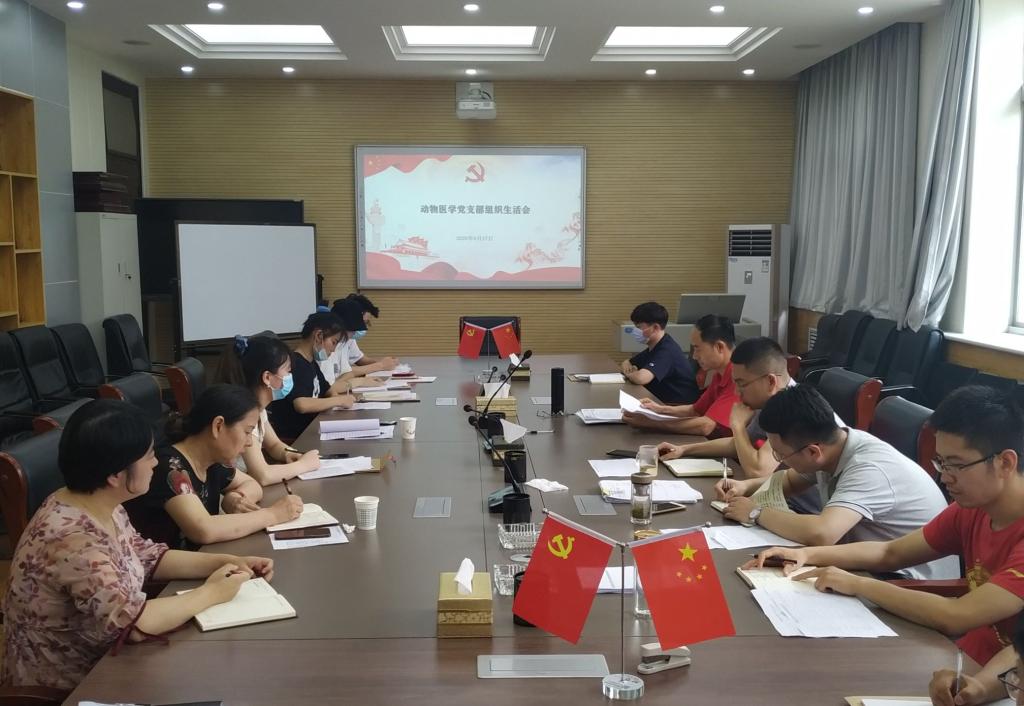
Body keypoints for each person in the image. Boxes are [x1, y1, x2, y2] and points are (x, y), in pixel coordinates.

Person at [1, 399, 273, 690]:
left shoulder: (99, 502)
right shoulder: (73, 538)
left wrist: (226, 562)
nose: (155, 463)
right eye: (148, 456)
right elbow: (130, 623)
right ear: (115, 475)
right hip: (73, 683)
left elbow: (145, 556)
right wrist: (212, 592)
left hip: (115, 658)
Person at [752, 386, 1024, 672]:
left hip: (1001, 678)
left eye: (955, 465)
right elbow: (890, 552)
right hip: (963, 661)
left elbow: (956, 616)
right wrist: (807, 555)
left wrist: (858, 584)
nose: (944, 477)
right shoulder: (972, 509)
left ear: (1005, 463)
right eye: (941, 462)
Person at [726, 384, 957, 579]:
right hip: (867, 563)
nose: (779, 460)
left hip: (907, 580)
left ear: (813, 452)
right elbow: (790, 480)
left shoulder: (868, 468)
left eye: (781, 455)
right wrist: (745, 486)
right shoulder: (836, 446)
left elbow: (822, 533)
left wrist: (756, 513)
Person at [126, 384, 304, 549]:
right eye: (247, 432)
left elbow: (252, 484)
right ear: (218, 426)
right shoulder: (170, 466)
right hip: (167, 571)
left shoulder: (212, 460)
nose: (250, 442)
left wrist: (235, 498)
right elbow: (203, 529)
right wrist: (273, 515)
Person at [658, 337, 842, 478]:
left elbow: (758, 471)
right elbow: (738, 444)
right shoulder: (771, 400)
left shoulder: (794, 409)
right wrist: (684, 449)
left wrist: (737, 426)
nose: (737, 392)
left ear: (770, 381)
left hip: (803, 508)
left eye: (742, 384)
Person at [215, 334, 321, 485]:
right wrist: (304, 465)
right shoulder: (244, 415)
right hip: (237, 489)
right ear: (267, 377)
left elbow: (273, 445)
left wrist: (292, 455)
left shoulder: (258, 407)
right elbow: (263, 475)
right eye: (287, 371)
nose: (290, 376)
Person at [623, 314, 738, 436]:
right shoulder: (719, 374)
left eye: (697, 348)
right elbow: (695, 410)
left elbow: (706, 426)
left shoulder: (738, 378)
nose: (694, 356)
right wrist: (659, 409)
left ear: (719, 347)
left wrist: (651, 423)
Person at [267, 311, 356, 440]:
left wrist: (337, 397)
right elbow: (302, 405)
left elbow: (328, 390)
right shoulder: (295, 364)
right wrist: (339, 401)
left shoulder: (311, 362)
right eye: (334, 342)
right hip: (297, 437)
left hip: (313, 429)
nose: (333, 350)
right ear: (319, 336)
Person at [619, 301, 699, 405]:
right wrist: (631, 370)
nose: (635, 331)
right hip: (660, 402)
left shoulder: (667, 350)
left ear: (655, 327)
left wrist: (629, 374)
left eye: (639, 327)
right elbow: (626, 362)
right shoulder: (655, 347)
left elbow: (641, 378)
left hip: (676, 407)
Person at [320, 297, 397, 385]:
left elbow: (348, 372)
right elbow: (331, 385)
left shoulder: (344, 340)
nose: (356, 331)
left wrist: (384, 363)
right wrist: (380, 366)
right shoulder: (327, 345)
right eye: (364, 322)